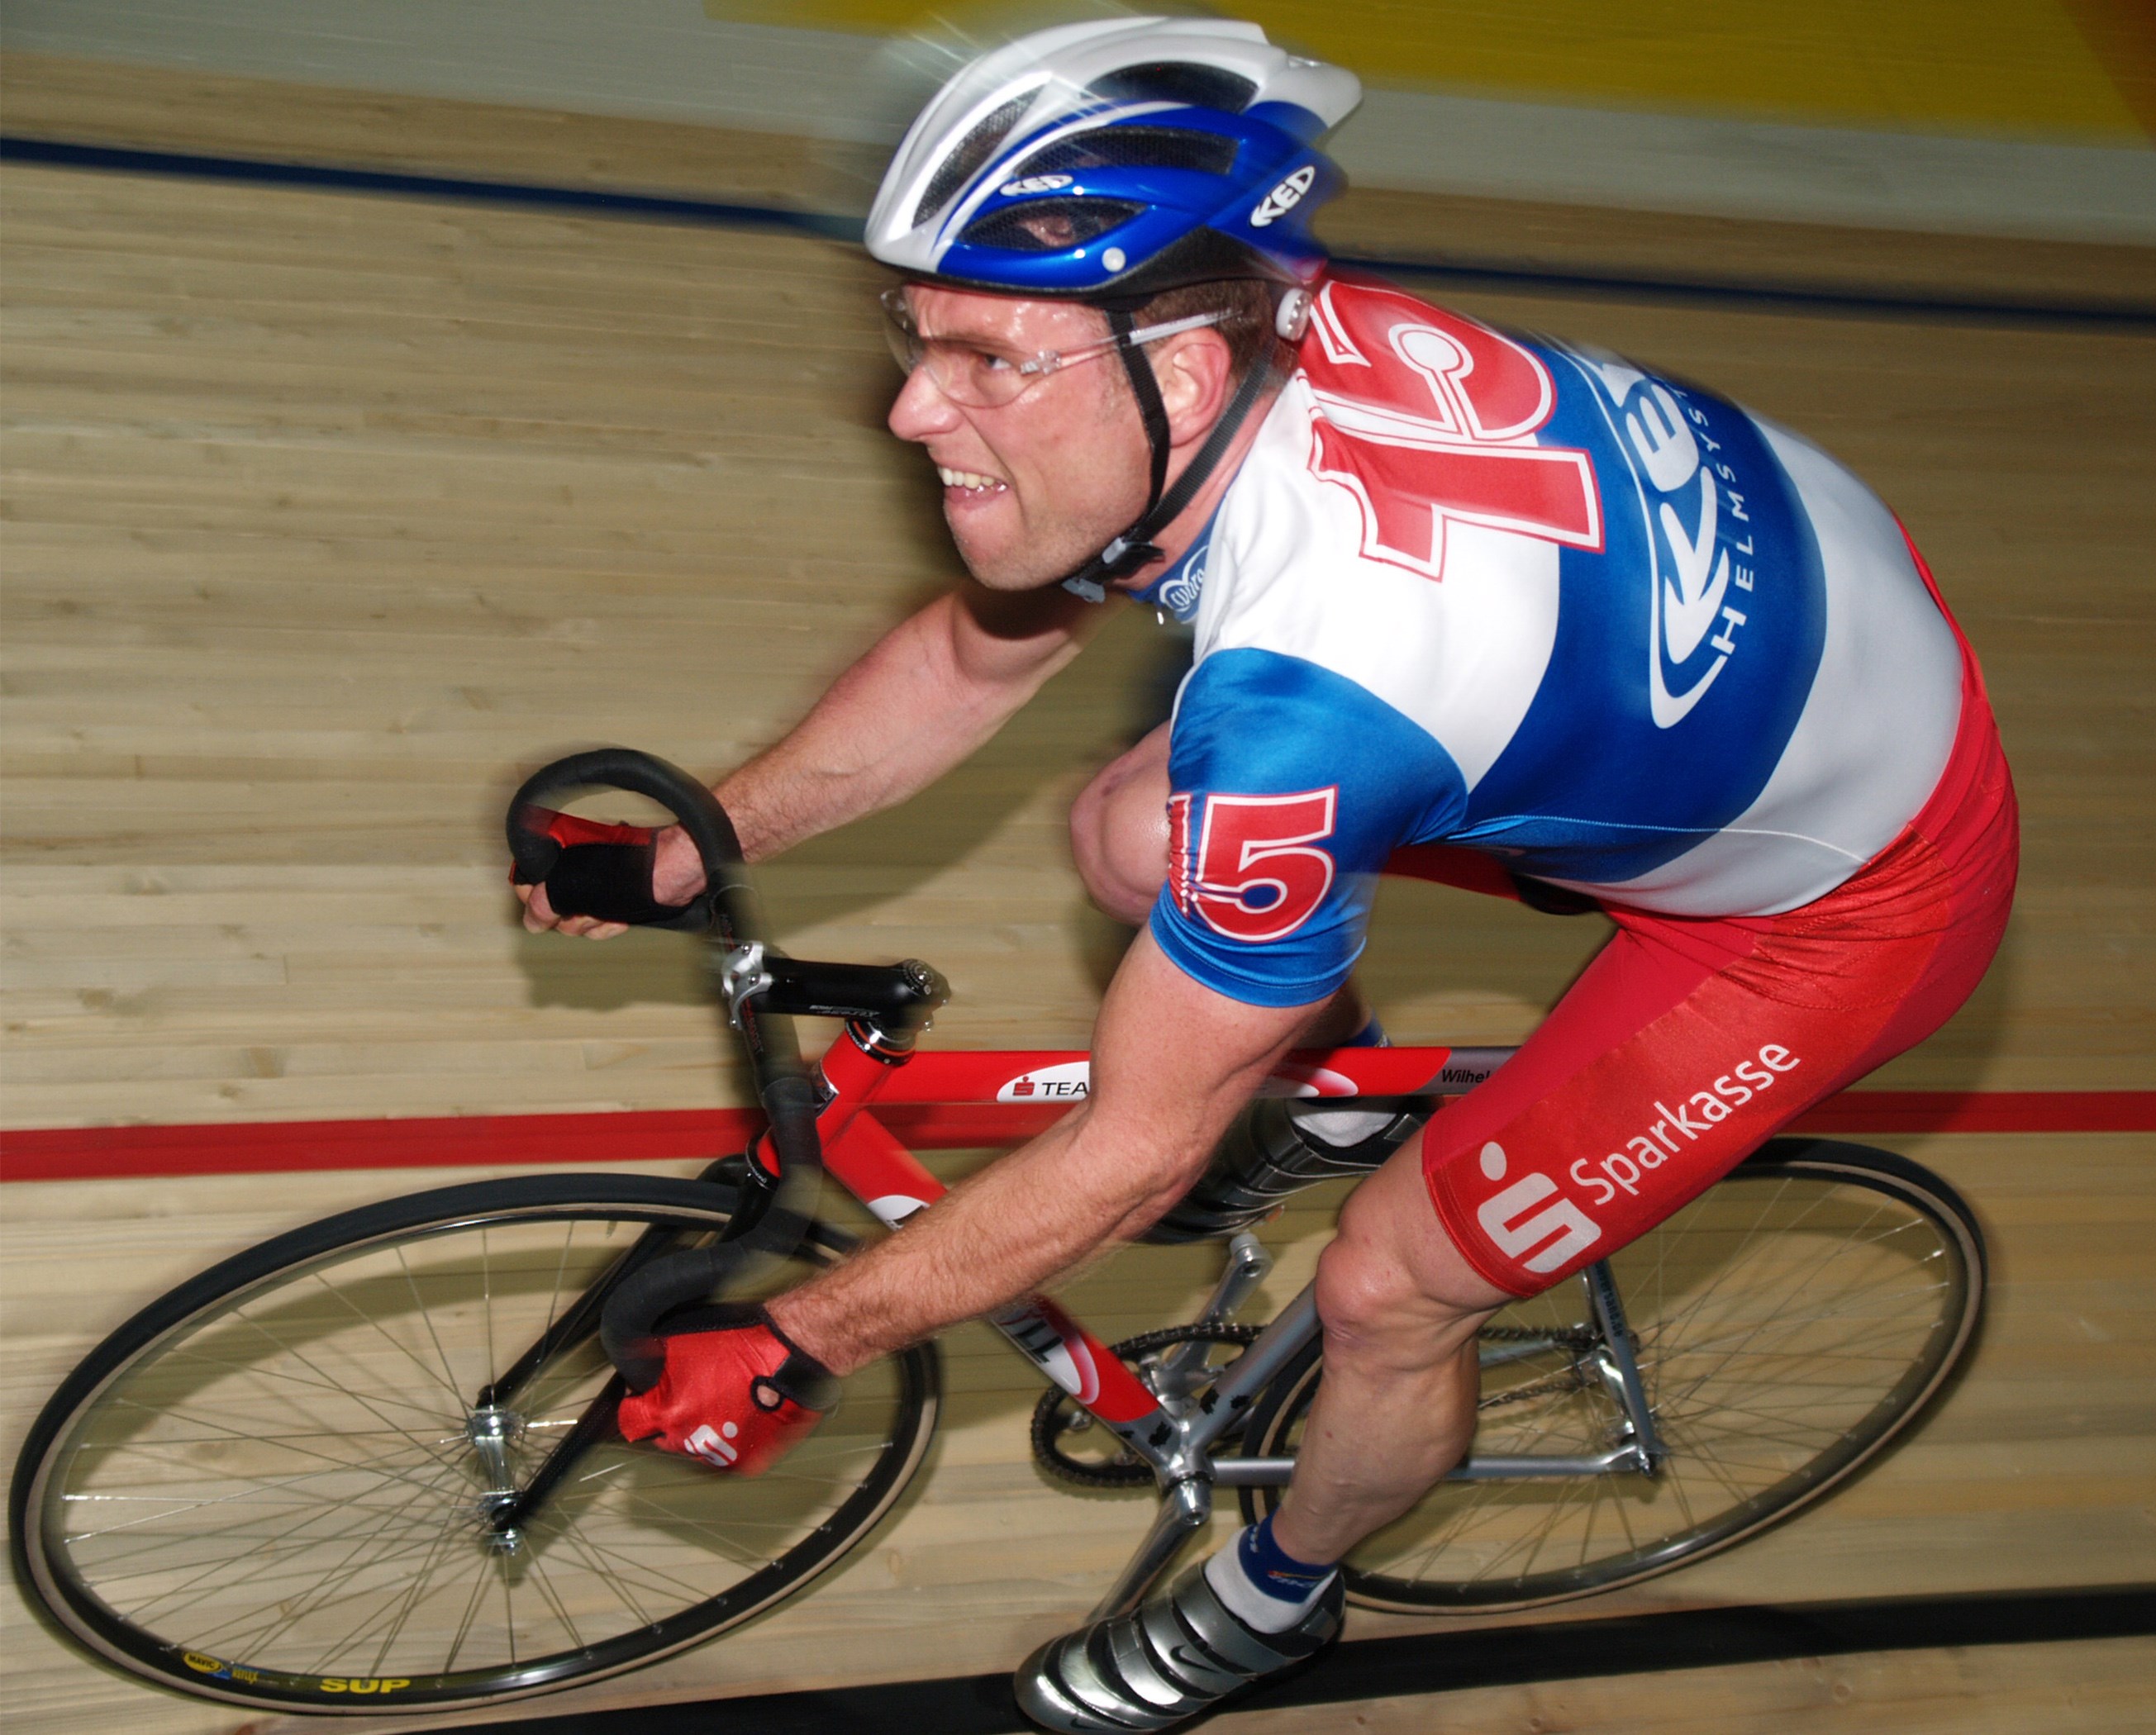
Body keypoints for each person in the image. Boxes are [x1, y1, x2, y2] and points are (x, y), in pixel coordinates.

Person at [513, 17, 2018, 1731]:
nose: (914, 407)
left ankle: (1275, 1601)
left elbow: (1128, 1159)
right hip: (1685, 682)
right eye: (914, 336)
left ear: (1191, 357)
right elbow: (975, 659)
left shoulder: (1314, 696)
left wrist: (805, 1345)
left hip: (1838, 906)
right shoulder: (1236, 352)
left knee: (1386, 1285)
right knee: (1127, 831)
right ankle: (1328, 1090)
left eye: (989, 359)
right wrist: (695, 841)